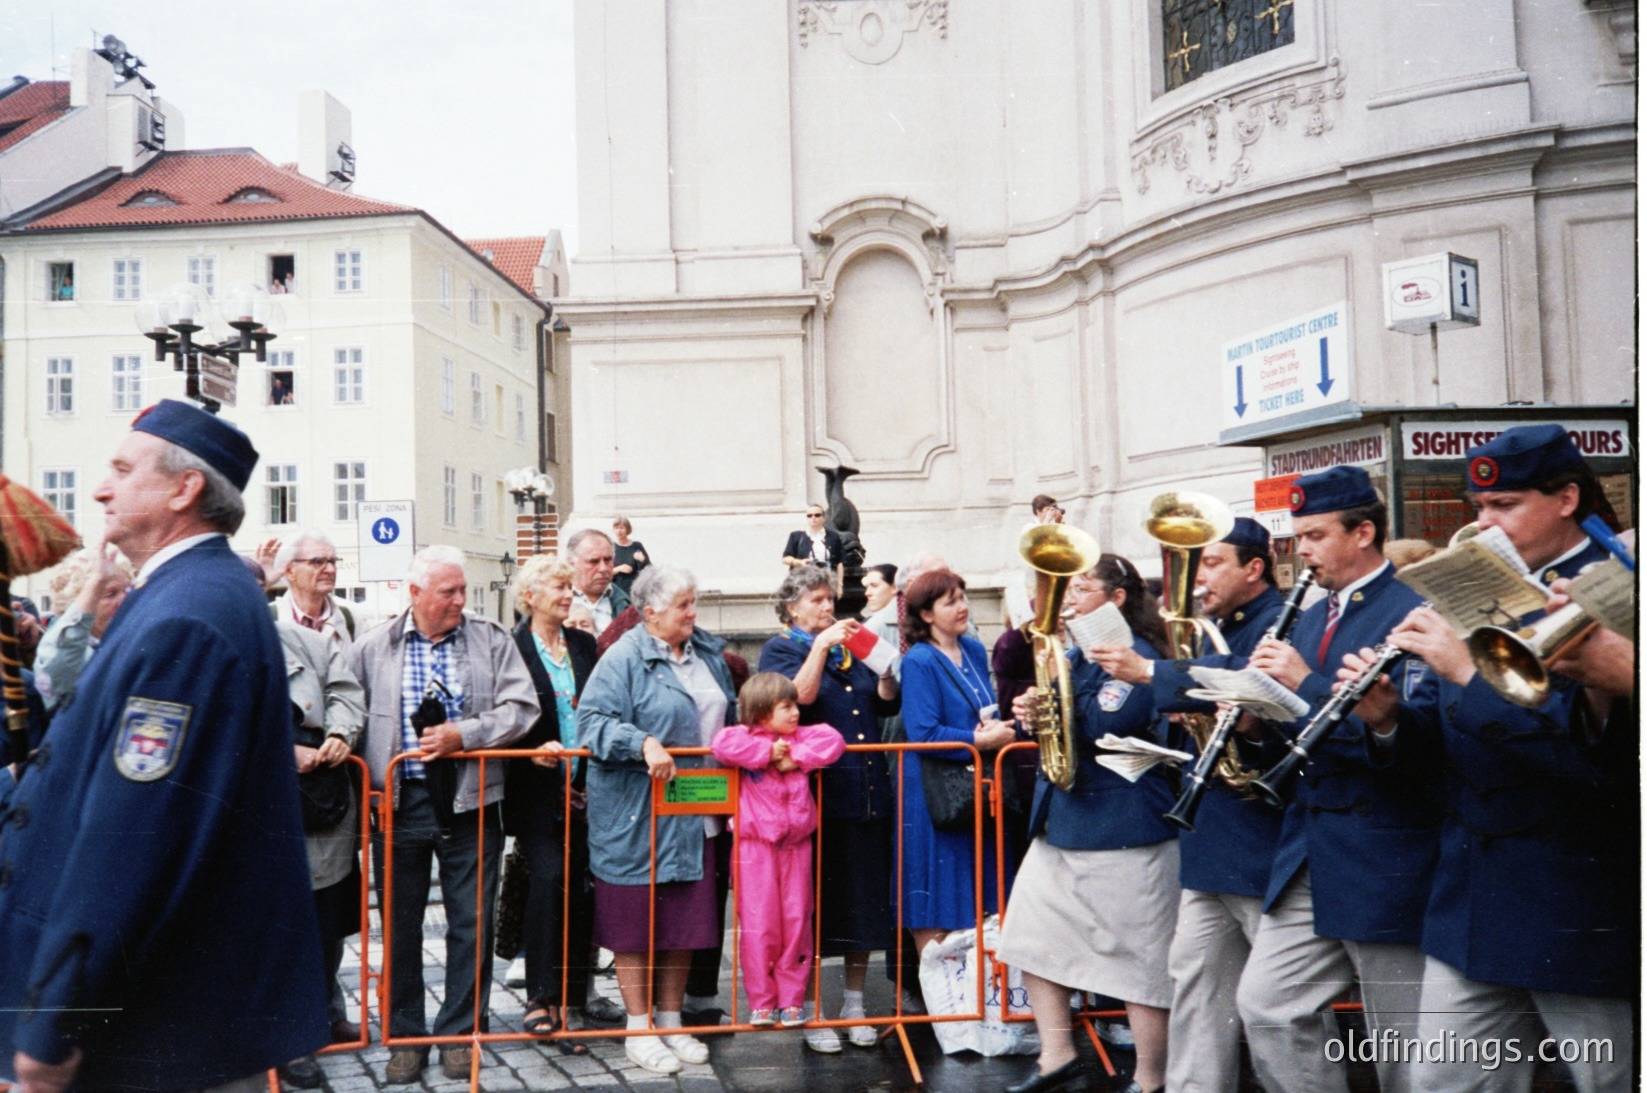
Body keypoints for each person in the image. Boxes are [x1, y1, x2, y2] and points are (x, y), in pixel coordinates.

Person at [0, 399, 328, 1091]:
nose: (99, 488)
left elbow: (136, 832)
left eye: (122, 469)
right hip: (158, 1012)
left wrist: (61, 1015)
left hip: (151, 1026)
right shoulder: (181, 593)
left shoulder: (190, 613)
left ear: (185, 489)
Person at [1370, 425, 1635, 1092]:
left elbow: (1596, 765)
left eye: (1504, 505)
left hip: (1579, 898)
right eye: (1478, 507)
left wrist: (1466, 673)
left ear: (1566, 497)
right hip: (1471, 899)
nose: (1483, 524)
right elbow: (1441, 743)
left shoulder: (1616, 588)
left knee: (1607, 1078)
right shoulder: (1473, 586)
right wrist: (1386, 721)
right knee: (1441, 1082)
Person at [1235, 466, 1441, 1093]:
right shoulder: (1306, 613)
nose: (1303, 552)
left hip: (1385, 851)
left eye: (1317, 536)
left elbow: (1411, 740)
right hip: (1308, 848)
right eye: (1298, 537)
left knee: (1399, 1042)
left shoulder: (1410, 611)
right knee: (1267, 1004)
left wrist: (1302, 682)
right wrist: (1249, 721)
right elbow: (1292, 722)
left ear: (1364, 533)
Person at [1093, 518, 1286, 1093]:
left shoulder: (1277, 620)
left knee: (1278, 1007)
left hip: (1257, 837)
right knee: (1196, 988)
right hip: (1210, 840)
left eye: (1212, 562)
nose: (1199, 576)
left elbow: (1252, 688)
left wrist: (1156, 673)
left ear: (1254, 568)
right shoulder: (1215, 628)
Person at [349, 545, 538, 1083]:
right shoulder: (373, 646)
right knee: (400, 926)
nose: (461, 600)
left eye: (462, 590)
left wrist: (466, 735)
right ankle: (406, 1038)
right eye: (449, 592)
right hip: (400, 803)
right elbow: (350, 712)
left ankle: (461, 1034)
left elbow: (521, 707)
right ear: (415, 594)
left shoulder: (490, 639)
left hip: (470, 800)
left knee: (471, 923)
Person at [999, 553, 1179, 1093]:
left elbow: (1107, 723)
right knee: (1029, 937)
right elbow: (1066, 724)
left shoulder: (1135, 656)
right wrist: (1033, 710)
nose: (1069, 597)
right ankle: (1057, 1055)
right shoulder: (1074, 656)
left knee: (1135, 964)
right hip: (1065, 818)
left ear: (1116, 599)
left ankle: (1152, 1080)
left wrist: (1054, 703)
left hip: (1124, 827)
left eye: (1082, 588)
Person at [577, 564, 738, 1075]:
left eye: (693, 602)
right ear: (650, 613)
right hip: (637, 814)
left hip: (696, 807)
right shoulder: (623, 658)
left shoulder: (706, 652)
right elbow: (593, 723)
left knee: (683, 921)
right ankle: (639, 1026)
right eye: (683, 605)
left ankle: (670, 1020)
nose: (693, 613)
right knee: (635, 925)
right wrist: (642, 741)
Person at [759, 566, 899, 1051]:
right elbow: (795, 697)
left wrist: (883, 673)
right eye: (817, 600)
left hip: (862, 790)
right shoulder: (782, 649)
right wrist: (819, 647)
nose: (828, 609)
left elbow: (880, 705)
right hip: (811, 798)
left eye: (830, 600)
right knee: (811, 906)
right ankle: (811, 1007)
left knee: (861, 902)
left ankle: (855, 1004)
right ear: (792, 606)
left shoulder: (847, 647)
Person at [504, 553, 599, 1055]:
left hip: (586, 790)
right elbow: (502, 718)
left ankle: (575, 1000)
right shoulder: (511, 648)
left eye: (570, 587)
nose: (568, 595)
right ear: (529, 597)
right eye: (558, 588)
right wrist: (530, 756)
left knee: (581, 889)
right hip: (536, 791)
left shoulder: (583, 644)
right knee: (549, 879)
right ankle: (541, 997)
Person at [712, 674, 845, 1027]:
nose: (795, 713)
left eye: (795, 705)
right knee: (758, 924)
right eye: (785, 707)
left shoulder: (800, 738)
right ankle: (761, 1001)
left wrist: (796, 757)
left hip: (796, 846)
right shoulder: (743, 736)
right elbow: (723, 744)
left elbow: (834, 739)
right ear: (759, 712)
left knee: (797, 920)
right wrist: (766, 753)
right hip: (754, 848)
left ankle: (791, 1001)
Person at [273, 594, 368, 1089]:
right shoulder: (217, 650)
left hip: (319, 801)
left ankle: (320, 1019)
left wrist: (339, 733)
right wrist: (281, 751)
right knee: (275, 928)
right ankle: (286, 1038)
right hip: (256, 805)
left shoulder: (310, 643)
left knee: (326, 922)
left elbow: (347, 693)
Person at [896, 569, 1017, 958]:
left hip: (973, 787)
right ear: (927, 614)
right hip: (935, 793)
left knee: (981, 894)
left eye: (963, 597)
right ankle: (944, 1006)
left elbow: (979, 706)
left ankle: (980, 1002)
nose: (963, 606)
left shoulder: (974, 650)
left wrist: (992, 725)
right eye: (951, 601)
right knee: (938, 896)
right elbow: (924, 733)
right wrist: (981, 740)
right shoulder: (918, 660)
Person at [33, 542, 132, 711]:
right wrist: (98, 581)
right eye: (111, 594)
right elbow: (55, 672)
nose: (124, 600)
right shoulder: (67, 651)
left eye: (127, 590)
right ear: (79, 603)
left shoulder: (130, 641)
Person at [268, 529, 358, 645]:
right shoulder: (268, 620)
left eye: (333, 561)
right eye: (318, 562)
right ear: (290, 571)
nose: (331, 570)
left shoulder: (352, 621)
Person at [566, 528, 630, 635]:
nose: (603, 568)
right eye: (593, 561)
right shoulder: (553, 603)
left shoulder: (626, 605)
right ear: (571, 563)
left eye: (608, 560)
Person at [782, 504, 845, 589]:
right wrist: (800, 562)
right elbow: (785, 559)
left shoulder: (833, 536)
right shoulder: (796, 536)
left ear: (823, 518)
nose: (813, 518)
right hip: (804, 582)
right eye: (809, 515)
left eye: (817, 515)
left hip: (828, 581)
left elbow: (839, 563)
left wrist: (840, 585)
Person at [611, 516, 651, 598]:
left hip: (634, 589)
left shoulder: (636, 546)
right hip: (617, 590)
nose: (619, 531)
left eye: (621, 528)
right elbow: (604, 571)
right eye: (616, 528)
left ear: (627, 529)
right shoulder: (610, 547)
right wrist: (618, 569)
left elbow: (649, 568)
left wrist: (642, 559)